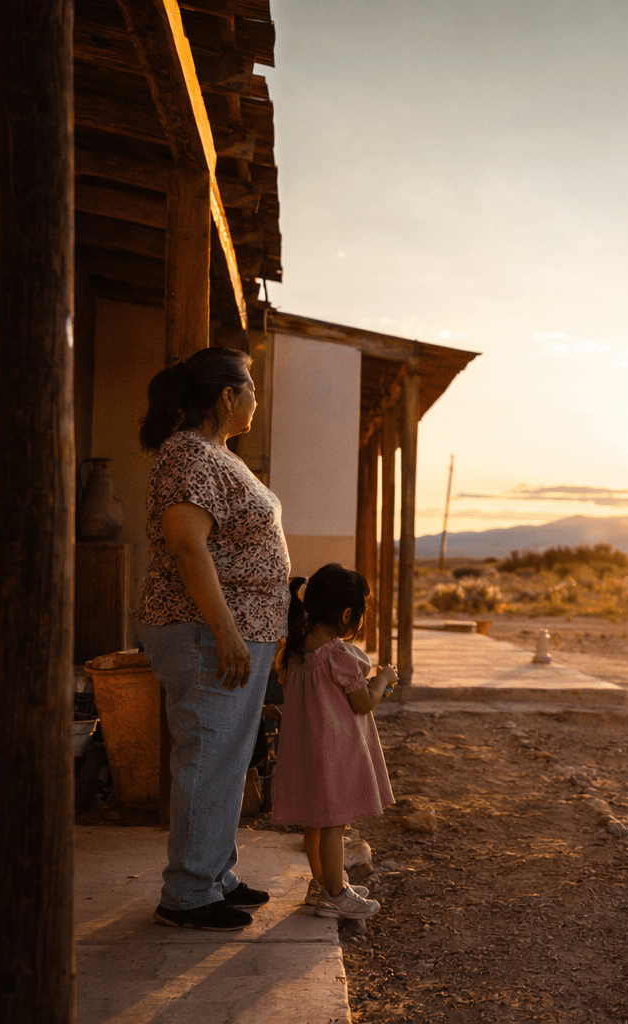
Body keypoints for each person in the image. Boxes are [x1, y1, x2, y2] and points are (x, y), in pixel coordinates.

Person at [135, 346, 290, 931]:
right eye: (250, 387)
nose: (256, 397)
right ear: (227, 396)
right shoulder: (189, 456)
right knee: (207, 756)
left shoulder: (214, 454)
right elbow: (185, 546)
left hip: (231, 632)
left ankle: (214, 874)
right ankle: (189, 894)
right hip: (204, 632)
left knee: (224, 759)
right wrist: (226, 631)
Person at [271, 564, 397, 920]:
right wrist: (383, 680)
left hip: (307, 749)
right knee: (333, 824)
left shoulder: (296, 647)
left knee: (316, 821)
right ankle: (336, 894)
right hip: (334, 748)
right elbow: (362, 703)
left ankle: (321, 884)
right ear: (346, 614)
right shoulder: (338, 654)